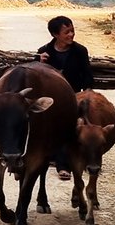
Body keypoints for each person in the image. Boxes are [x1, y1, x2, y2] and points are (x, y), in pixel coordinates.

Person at [36, 15, 93, 180]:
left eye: (72, 31)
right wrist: (38, 61)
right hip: (51, 99)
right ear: (55, 34)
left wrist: (86, 94)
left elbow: (87, 74)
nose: (71, 35)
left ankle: (64, 165)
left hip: (73, 97)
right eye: (66, 32)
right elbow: (37, 76)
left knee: (71, 126)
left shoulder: (80, 51)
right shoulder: (44, 52)